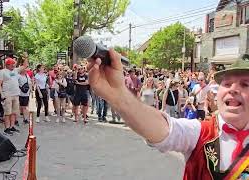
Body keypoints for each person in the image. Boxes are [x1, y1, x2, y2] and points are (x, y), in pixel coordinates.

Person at [87, 49, 249, 179]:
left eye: (245, 84)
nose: (233, 89)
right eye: (227, 83)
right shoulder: (201, 133)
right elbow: (164, 130)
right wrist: (118, 96)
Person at [0, 57, 28, 135]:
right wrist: (1, 94)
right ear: (7, 64)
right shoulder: (2, 72)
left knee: (14, 112)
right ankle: (7, 128)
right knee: (7, 112)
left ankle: (12, 126)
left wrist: (26, 57)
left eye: (14, 64)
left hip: (16, 94)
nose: (13, 65)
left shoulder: (15, 70)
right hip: (7, 94)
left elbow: (25, 66)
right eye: (12, 64)